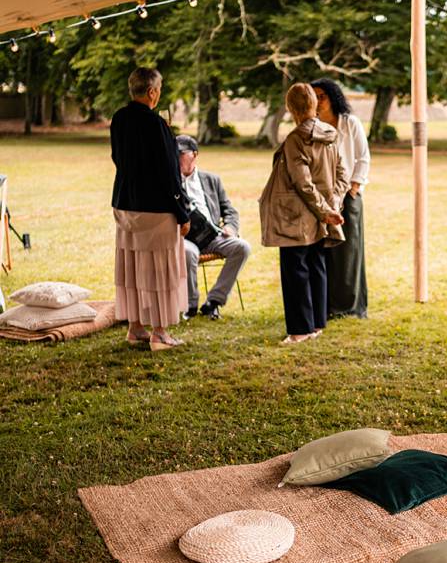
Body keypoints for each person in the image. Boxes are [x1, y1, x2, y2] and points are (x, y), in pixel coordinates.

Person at [109, 66, 189, 350]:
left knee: (133, 266)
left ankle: (135, 327)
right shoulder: (156, 125)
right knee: (160, 270)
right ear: (152, 92)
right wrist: (182, 212)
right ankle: (160, 332)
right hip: (156, 209)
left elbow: (117, 158)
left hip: (125, 204)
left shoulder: (118, 119)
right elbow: (170, 173)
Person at [260, 82, 345, 345]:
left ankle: (300, 330)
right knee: (316, 266)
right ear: (314, 105)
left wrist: (324, 210)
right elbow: (342, 174)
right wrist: (332, 206)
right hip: (320, 216)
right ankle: (317, 323)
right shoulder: (329, 134)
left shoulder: (297, 138)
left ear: (290, 107)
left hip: (296, 216)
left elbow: (302, 182)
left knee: (295, 270)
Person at [310, 79, 370, 319]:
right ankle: (325, 305)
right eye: (314, 97)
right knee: (322, 249)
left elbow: (363, 157)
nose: (318, 101)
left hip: (348, 195)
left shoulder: (350, 123)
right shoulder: (311, 125)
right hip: (321, 196)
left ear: (333, 97)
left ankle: (349, 306)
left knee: (348, 251)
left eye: (322, 95)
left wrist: (353, 188)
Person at [173, 135, 251, 319]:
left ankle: (213, 301)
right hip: (184, 238)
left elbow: (230, 210)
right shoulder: (170, 181)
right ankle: (190, 305)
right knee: (188, 253)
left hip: (212, 236)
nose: (177, 158)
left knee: (242, 247)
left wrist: (231, 228)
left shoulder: (211, 179)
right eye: (174, 154)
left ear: (195, 154)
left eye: (181, 154)